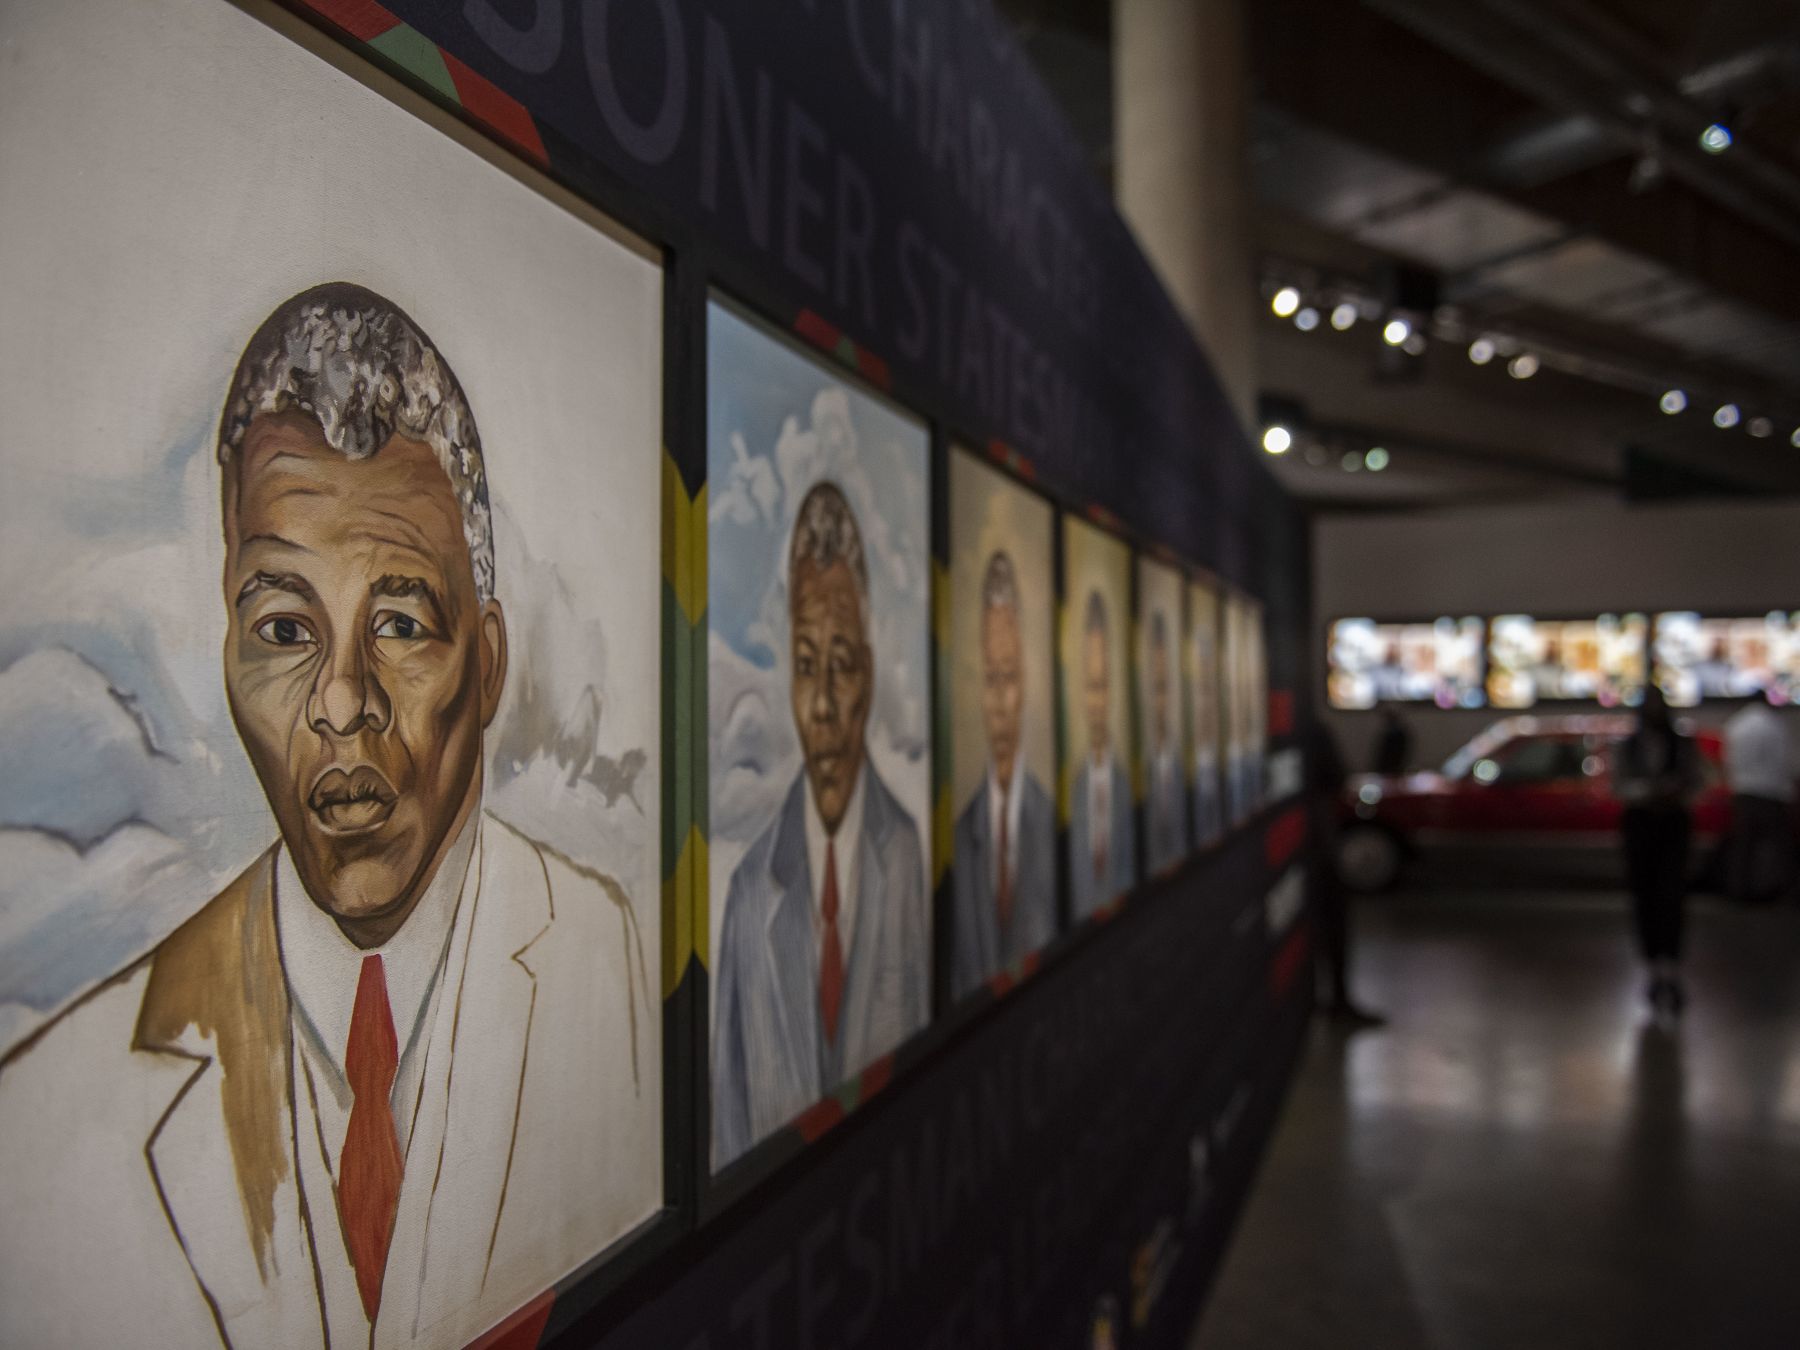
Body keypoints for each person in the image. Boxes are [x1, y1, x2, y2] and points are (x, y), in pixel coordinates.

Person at [0, 284, 656, 1349]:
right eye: (284, 625)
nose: (341, 699)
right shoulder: (65, 1108)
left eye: (399, 620)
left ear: (486, 667)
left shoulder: (610, 958)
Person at [712, 483, 929, 1166]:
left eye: (841, 666)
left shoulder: (906, 856)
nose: (827, 705)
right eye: (807, 667)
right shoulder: (749, 896)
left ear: (867, 674)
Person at [951, 551, 1057, 997]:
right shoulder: (957, 839)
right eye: (990, 680)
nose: (998, 704)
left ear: (1028, 683)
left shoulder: (1054, 823)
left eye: (1009, 678)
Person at [1615, 686, 1702, 1017]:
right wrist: (1646, 792)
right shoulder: (1628, 747)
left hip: (1672, 824)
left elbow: (1696, 781)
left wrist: (1673, 791)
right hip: (1640, 825)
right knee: (1645, 896)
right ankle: (1654, 966)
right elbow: (1618, 785)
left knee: (1672, 896)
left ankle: (1671, 966)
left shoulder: (1681, 745)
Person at [1310, 719, 1383, 1027]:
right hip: (1319, 840)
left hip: (1306, 841)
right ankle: (1338, 1001)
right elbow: (1338, 777)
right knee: (1333, 922)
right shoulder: (1313, 729)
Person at [1070, 590, 1137, 918]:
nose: (1096, 704)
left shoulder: (1127, 787)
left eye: (1102, 687)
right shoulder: (1071, 792)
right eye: (1089, 687)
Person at [1722, 695, 1795, 903]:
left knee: (1743, 847)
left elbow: (1728, 760)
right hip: (1771, 792)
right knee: (1782, 847)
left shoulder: (1736, 724)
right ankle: (1791, 893)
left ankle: (1738, 893)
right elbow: (1783, 761)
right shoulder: (1774, 725)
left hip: (1743, 791)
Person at [1144, 609, 1190, 874]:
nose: (1158, 701)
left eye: (1163, 687)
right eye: (1153, 687)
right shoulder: (1134, 777)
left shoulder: (1182, 768)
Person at [1373, 707, 1412, 776]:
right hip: (1395, 765)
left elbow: (1384, 752)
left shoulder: (1393, 733)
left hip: (1391, 766)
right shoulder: (1399, 732)